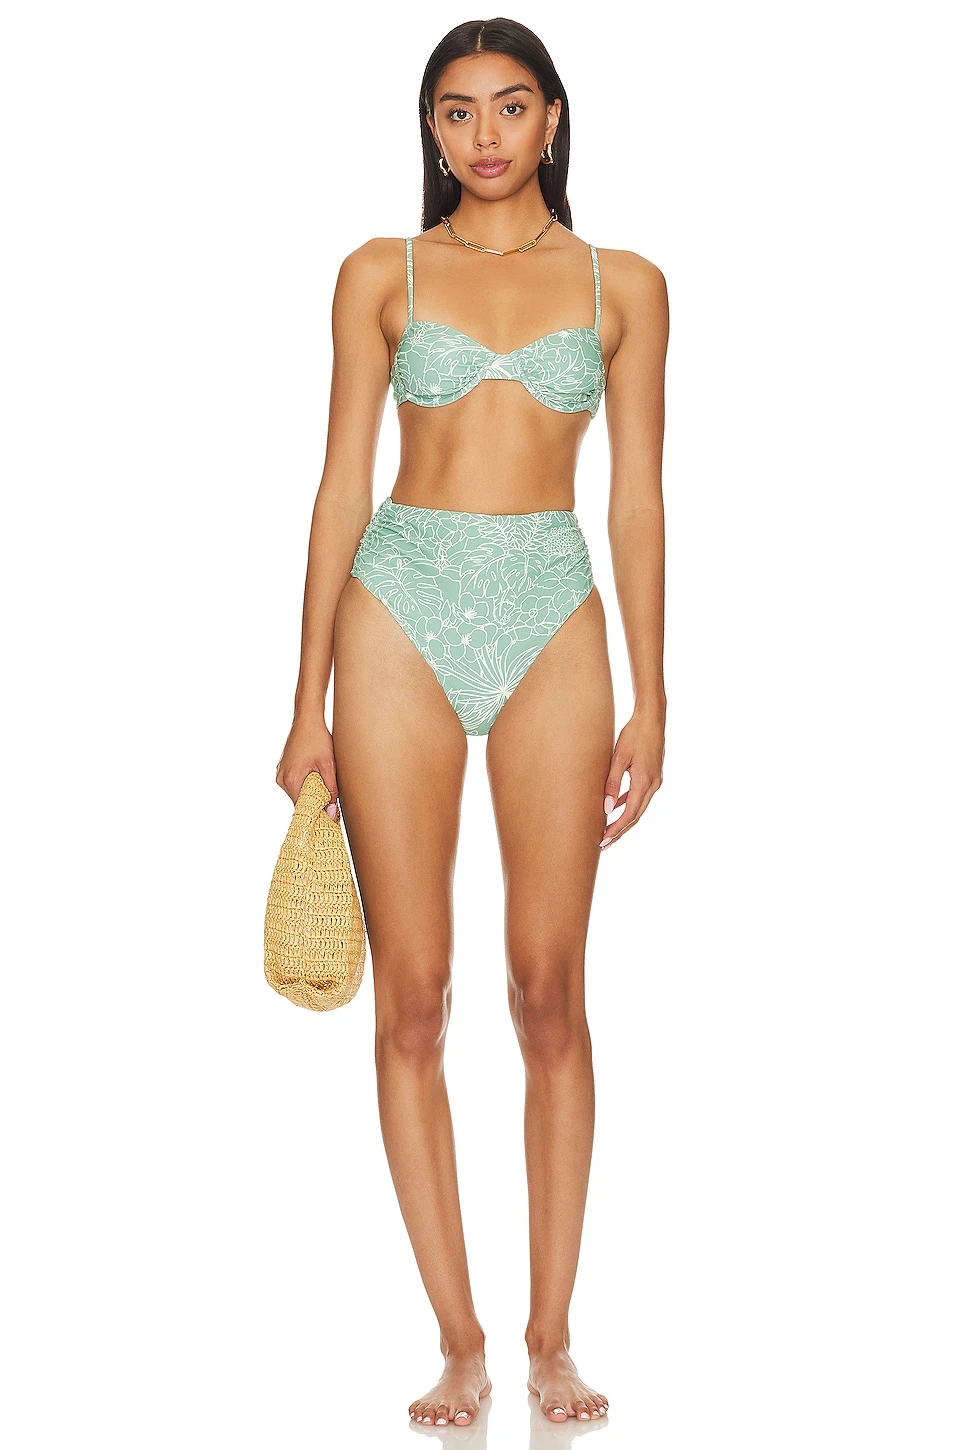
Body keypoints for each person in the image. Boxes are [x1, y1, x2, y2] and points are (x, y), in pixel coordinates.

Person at [275, 16, 668, 1430]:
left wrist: (656, 690)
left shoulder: (626, 285)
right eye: (457, 111)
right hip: (400, 603)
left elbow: (636, 495)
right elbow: (339, 482)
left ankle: (554, 1335)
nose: (485, 134)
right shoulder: (380, 272)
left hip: (553, 605)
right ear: (431, 130)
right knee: (416, 993)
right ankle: (460, 1340)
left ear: (553, 118)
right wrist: (304, 700)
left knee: (549, 989)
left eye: (511, 106)